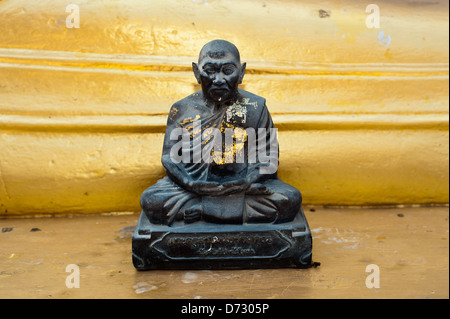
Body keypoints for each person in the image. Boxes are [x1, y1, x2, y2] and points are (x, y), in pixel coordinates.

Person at [140, 40, 301, 226]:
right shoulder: (182, 109)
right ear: (196, 72)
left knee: (288, 199)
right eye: (209, 70)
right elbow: (170, 158)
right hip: (193, 189)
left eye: (227, 70)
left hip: (242, 188)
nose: (218, 79)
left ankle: (202, 210)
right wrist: (189, 183)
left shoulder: (256, 107)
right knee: (152, 201)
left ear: (241, 73)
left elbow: (269, 159)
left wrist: (247, 181)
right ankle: (231, 211)